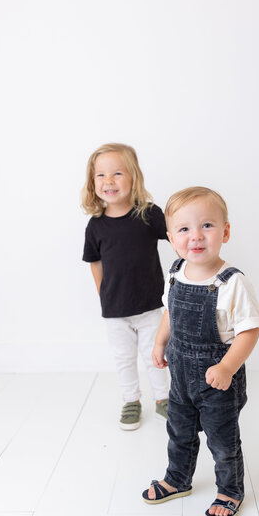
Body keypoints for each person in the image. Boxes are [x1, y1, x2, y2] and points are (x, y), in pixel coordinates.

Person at [142, 186, 259, 516]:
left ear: (225, 231)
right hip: (181, 378)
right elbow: (169, 311)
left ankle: (229, 490)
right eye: (184, 229)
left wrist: (227, 367)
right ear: (170, 237)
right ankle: (177, 479)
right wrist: (159, 342)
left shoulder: (231, 282)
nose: (196, 236)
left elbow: (250, 330)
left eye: (207, 226)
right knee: (178, 433)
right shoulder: (176, 272)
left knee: (222, 442)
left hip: (218, 381)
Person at [81, 143, 169, 430]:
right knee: (123, 358)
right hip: (115, 310)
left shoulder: (149, 214)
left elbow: (176, 237)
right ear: (92, 183)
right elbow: (95, 262)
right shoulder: (95, 226)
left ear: (133, 177)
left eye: (117, 173)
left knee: (156, 354)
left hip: (150, 306)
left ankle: (163, 399)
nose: (108, 181)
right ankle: (131, 401)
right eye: (101, 175)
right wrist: (103, 293)